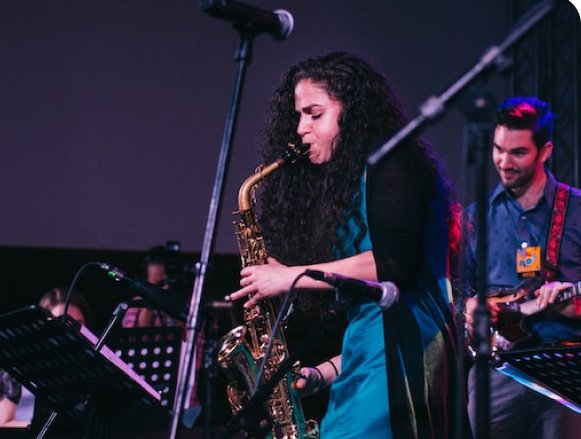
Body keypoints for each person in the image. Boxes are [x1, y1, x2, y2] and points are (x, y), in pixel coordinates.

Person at [228, 52, 467, 438]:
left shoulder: (393, 161)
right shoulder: (354, 180)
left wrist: (290, 277)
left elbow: (392, 265)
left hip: (403, 366)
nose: (301, 128)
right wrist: (323, 373)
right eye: (299, 115)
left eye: (314, 114)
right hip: (375, 360)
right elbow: (371, 319)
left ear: (352, 112)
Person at [463, 97, 581, 438]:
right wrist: (469, 308)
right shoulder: (475, 217)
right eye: (498, 150)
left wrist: (573, 308)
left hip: (564, 366)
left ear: (545, 151)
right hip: (497, 368)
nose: (504, 162)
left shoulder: (575, 210)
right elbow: (458, 292)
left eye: (518, 152)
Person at [0, 288, 92, 427]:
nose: (70, 332)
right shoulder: (24, 364)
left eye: (78, 324)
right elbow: (4, 422)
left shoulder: (90, 368)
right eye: (60, 324)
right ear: (42, 326)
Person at [122, 244, 184, 328]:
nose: (159, 268)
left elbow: (182, 330)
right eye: (156, 263)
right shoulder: (137, 303)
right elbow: (139, 329)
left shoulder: (177, 301)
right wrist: (154, 297)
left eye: (162, 263)